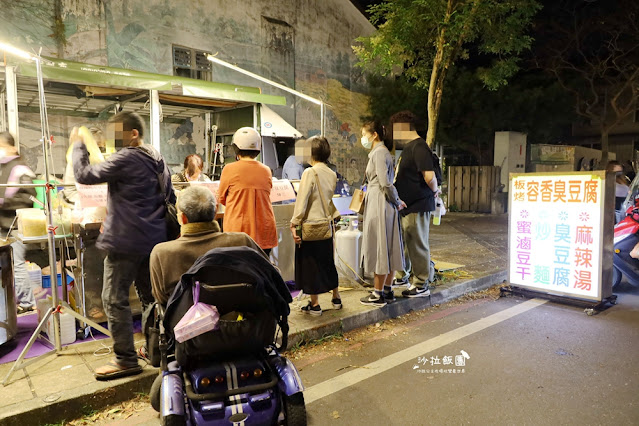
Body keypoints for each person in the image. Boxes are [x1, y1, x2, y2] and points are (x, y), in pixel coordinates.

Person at [72, 112, 175, 380]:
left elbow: (85, 174)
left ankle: (126, 359)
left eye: (117, 130)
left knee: (113, 298)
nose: (112, 135)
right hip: (153, 240)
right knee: (151, 297)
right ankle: (158, 350)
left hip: (127, 241)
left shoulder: (127, 156)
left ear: (134, 134)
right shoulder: (156, 157)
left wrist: (79, 145)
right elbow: (171, 196)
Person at [150, 185, 268, 306]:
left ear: (183, 218)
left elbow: (162, 298)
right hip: (243, 320)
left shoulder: (162, 253)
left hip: (186, 322)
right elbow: (271, 274)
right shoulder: (242, 241)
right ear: (215, 211)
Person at [289, 136, 341, 316]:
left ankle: (315, 305)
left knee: (310, 264)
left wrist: (294, 222)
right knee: (327, 262)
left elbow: (302, 201)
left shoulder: (309, 173)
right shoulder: (331, 173)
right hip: (326, 226)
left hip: (311, 227)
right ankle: (336, 298)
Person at [359, 121, 406, 307]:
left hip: (380, 203)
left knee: (380, 246)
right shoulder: (383, 152)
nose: (363, 138)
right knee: (389, 245)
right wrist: (396, 200)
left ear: (374, 135)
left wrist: (396, 200)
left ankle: (377, 293)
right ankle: (387, 290)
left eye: (364, 134)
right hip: (384, 203)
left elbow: (385, 183)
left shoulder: (379, 153)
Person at [391, 110, 437, 297]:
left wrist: (434, 192)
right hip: (407, 205)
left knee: (417, 243)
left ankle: (421, 283)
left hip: (418, 204)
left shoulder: (419, 147)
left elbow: (429, 176)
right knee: (406, 242)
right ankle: (404, 276)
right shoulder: (410, 148)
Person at [217, 127, 277, 256]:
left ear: (236, 148)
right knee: (261, 270)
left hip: (238, 231)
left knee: (238, 271)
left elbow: (222, 198)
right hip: (264, 230)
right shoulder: (266, 170)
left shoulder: (229, 169)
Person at [0, 132, 37, 314]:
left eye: (2, 146)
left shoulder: (20, 169)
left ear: (12, 147)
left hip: (14, 226)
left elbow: (30, 197)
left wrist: (3, 202)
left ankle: (28, 302)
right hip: (2, 225)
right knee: (6, 266)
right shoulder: (3, 167)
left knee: (17, 264)